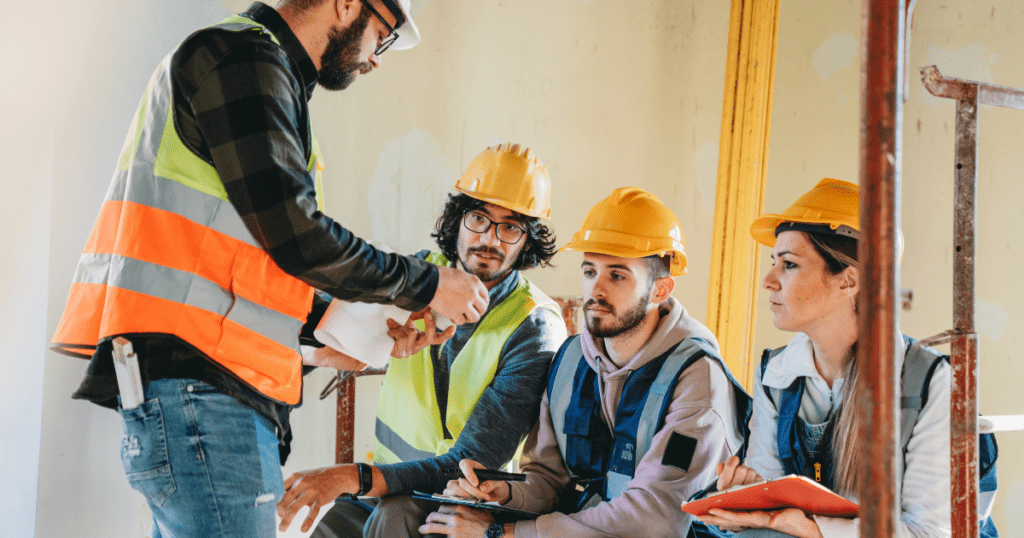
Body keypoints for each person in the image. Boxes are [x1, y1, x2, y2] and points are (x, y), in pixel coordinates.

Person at [48, 1, 490, 536]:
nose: (377, 59)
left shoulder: (262, 73)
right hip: (203, 395)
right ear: (348, 3)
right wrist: (428, 284)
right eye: (384, 35)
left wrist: (343, 333)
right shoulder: (244, 60)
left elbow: (252, 261)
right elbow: (298, 236)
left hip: (202, 394)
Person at [276, 143, 569, 536]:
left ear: (528, 241)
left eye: (511, 227)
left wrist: (350, 476)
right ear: (457, 219)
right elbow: (313, 331)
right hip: (388, 485)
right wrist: (362, 344)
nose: (491, 240)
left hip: (465, 504)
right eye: (479, 218)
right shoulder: (416, 276)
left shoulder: (534, 326)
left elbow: (470, 462)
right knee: (333, 528)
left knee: (393, 517)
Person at [425, 187, 752, 538]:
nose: (596, 290)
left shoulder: (697, 380)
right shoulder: (569, 361)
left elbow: (654, 519)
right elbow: (549, 481)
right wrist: (503, 493)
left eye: (617, 275)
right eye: (589, 271)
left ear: (661, 290)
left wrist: (501, 533)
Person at [698, 178, 999, 537]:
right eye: (773, 262)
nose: (769, 280)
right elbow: (773, 503)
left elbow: (928, 534)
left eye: (789, 264)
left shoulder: (930, 382)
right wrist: (751, 493)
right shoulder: (776, 374)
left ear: (849, 281)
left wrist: (812, 529)